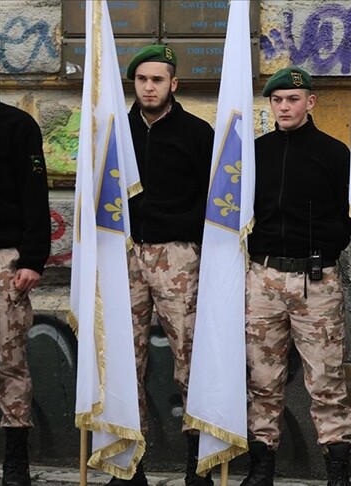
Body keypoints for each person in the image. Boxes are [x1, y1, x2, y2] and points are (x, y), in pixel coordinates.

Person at [242, 66, 351, 486]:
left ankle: (337, 470)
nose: (284, 107)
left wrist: (326, 246)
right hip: (264, 277)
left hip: (315, 279)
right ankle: (261, 466)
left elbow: (350, 217)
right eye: (277, 100)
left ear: (310, 102)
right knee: (262, 379)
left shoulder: (333, 153)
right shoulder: (256, 153)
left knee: (326, 380)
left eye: (293, 99)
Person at [121, 45, 215, 486]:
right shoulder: (117, 131)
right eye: (142, 79)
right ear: (133, 84)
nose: (149, 87)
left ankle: (197, 464)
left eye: (157, 79)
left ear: (173, 84)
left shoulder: (198, 133)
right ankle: (127, 464)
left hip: (178, 255)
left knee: (190, 359)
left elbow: (214, 199)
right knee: (124, 359)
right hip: (125, 253)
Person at [0, 101, 51, 486]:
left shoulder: (17, 125)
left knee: (10, 363)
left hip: (5, 262)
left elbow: (35, 194)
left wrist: (33, 258)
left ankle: (16, 462)